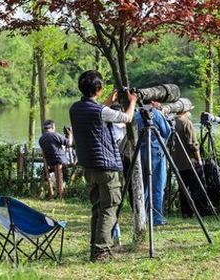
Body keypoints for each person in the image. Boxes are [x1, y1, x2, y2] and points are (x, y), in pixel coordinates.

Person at [69, 70, 137, 262]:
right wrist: (132, 101)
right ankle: (101, 251)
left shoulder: (75, 108)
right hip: (106, 166)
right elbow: (127, 118)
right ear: (98, 89)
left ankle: (95, 247)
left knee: (97, 208)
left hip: (88, 166)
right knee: (109, 207)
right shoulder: (101, 111)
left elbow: (97, 113)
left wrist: (108, 101)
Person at [134, 101, 171, 226]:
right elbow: (167, 132)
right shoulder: (155, 114)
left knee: (143, 186)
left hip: (140, 152)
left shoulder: (136, 115)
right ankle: (156, 218)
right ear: (152, 102)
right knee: (157, 186)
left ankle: (142, 217)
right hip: (156, 152)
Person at [172, 110, 211, 218]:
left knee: (183, 188)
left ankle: (186, 212)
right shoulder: (186, 122)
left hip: (177, 162)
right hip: (190, 161)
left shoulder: (171, 122)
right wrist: (199, 160)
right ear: (185, 111)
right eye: (189, 110)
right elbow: (193, 144)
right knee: (198, 186)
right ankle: (202, 210)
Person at [39, 119, 73, 199]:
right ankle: (62, 192)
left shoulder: (41, 139)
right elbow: (69, 144)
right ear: (53, 127)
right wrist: (70, 135)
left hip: (49, 163)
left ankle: (53, 193)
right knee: (66, 176)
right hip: (60, 162)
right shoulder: (55, 135)